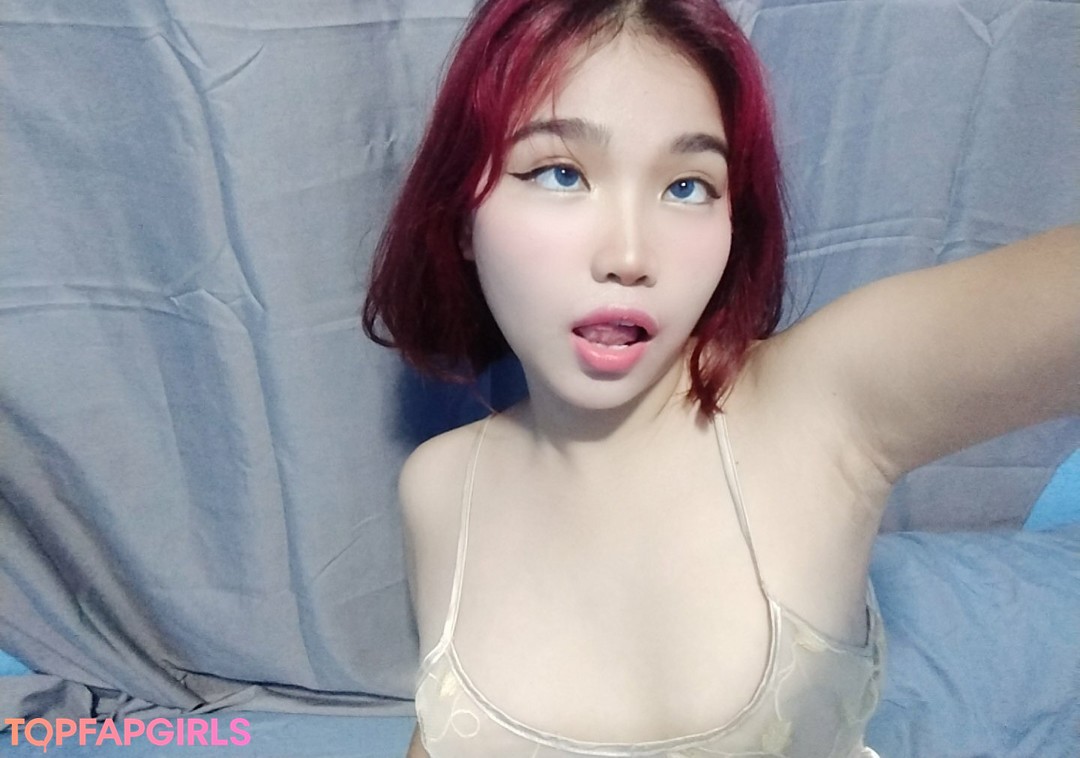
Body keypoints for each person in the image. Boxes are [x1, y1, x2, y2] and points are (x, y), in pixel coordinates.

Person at [362, 0, 1079, 755]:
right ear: (461, 218)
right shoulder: (438, 486)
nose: (629, 255)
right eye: (560, 173)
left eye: (688, 187)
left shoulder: (818, 408)